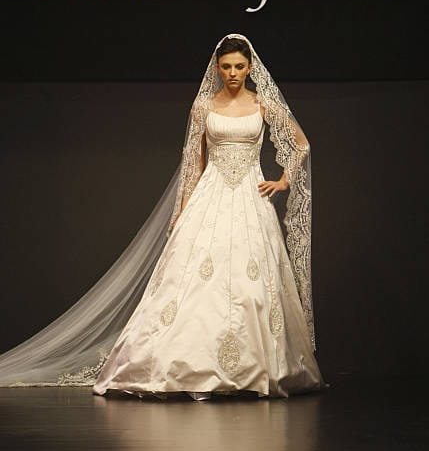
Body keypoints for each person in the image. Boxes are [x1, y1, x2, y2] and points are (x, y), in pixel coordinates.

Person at [0, 33, 328, 400]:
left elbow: (301, 144)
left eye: (239, 66)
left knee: (252, 286)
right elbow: (193, 163)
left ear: (250, 68)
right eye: (226, 67)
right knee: (194, 285)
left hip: (251, 198)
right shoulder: (204, 106)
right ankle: (188, 366)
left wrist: (283, 180)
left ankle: (256, 369)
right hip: (210, 196)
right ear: (217, 69)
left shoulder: (262, 104)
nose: (233, 73)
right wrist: (182, 211)